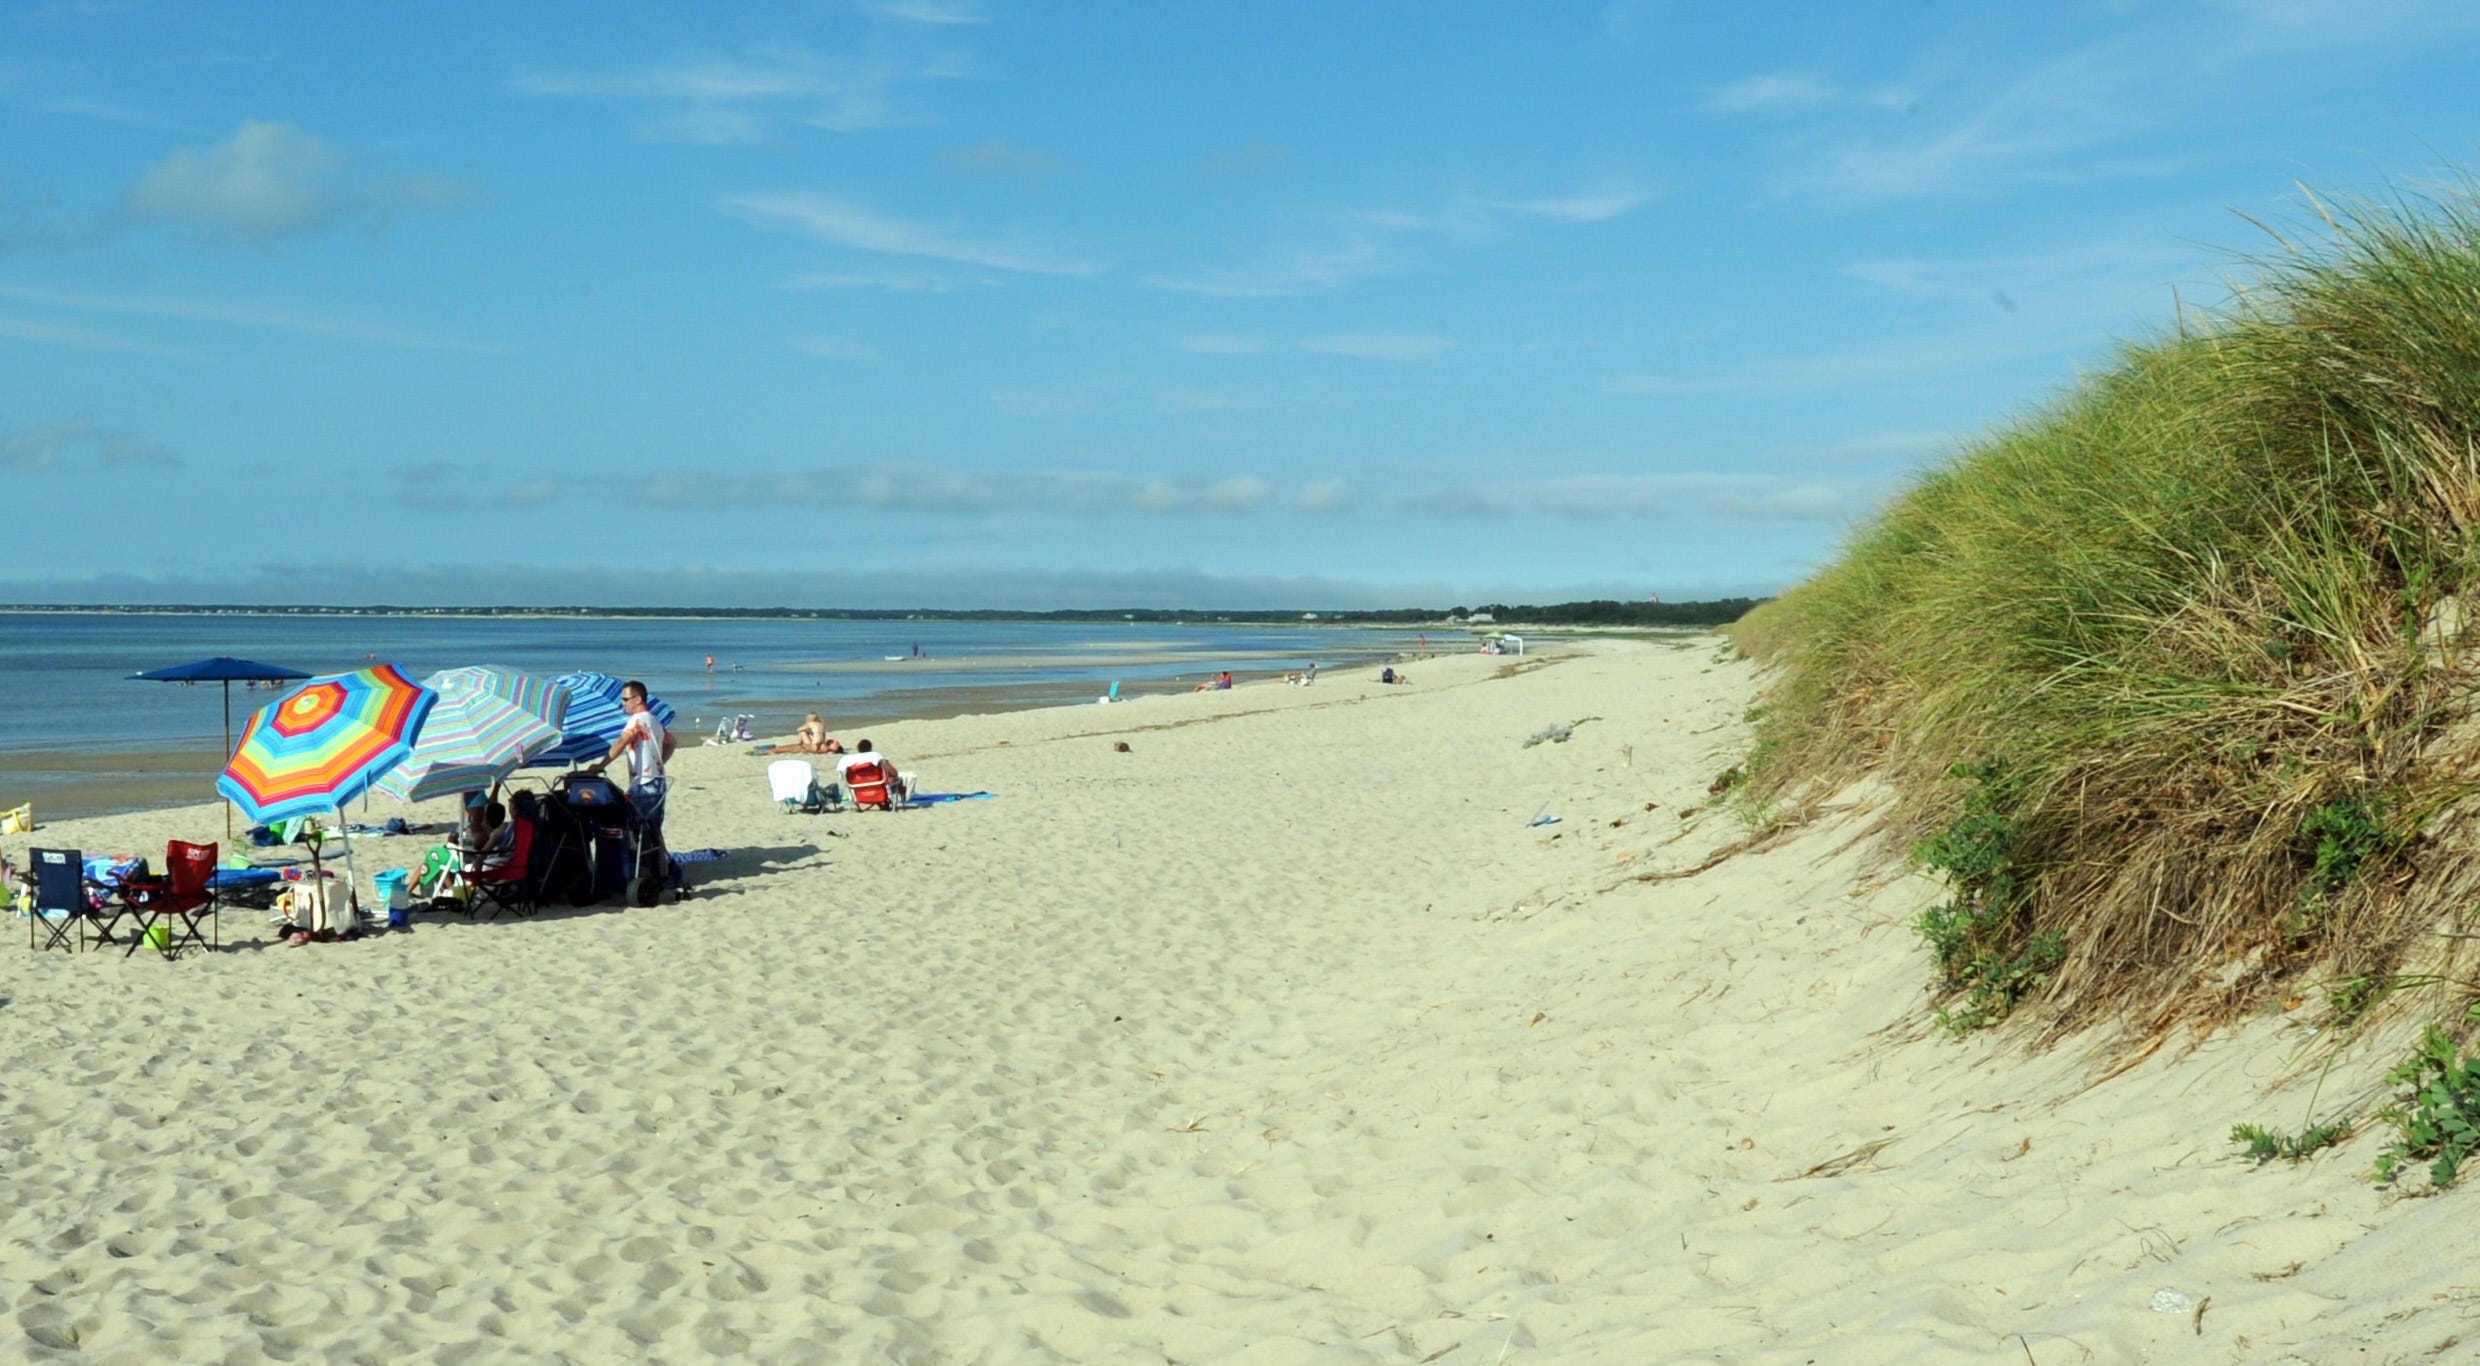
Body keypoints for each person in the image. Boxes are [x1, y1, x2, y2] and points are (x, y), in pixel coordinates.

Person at [601, 679, 675, 838]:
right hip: (658, 780)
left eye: (625, 699)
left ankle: (640, 862)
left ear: (638, 699)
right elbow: (671, 742)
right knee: (653, 829)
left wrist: (601, 765)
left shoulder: (637, 719)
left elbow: (622, 741)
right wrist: (659, 762)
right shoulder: (654, 720)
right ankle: (657, 862)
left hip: (645, 783)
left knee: (638, 828)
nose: (623, 704)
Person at [837, 739, 907, 804]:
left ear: (858, 749)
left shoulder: (849, 760)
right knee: (897, 779)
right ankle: (903, 800)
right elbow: (894, 772)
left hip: (858, 789)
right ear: (870, 748)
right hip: (878, 787)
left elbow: (843, 777)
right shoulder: (876, 756)